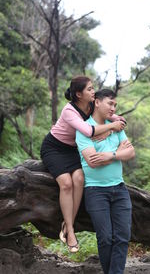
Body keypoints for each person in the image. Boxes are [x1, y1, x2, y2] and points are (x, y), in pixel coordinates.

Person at [40, 76, 126, 253]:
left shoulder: (92, 105)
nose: (93, 91)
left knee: (79, 178)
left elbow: (111, 115)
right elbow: (88, 131)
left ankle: (67, 223)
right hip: (54, 148)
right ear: (78, 94)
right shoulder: (69, 110)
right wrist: (112, 127)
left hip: (72, 149)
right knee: (66, 184)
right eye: (89, 89)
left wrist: (118, 120)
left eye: (93, 88)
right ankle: (70, 231)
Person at [76, 89, 135, 273]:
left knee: (123, 237)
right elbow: (93, 162)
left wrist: (110, 154)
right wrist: (119, 153)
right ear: (98, 102)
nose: (113, 108)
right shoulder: (84, 130)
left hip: (119, 188)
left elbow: (130, 153)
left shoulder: (115, 126)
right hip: (95, 191)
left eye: (115, 105)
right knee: (105, 238)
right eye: (110, 103)